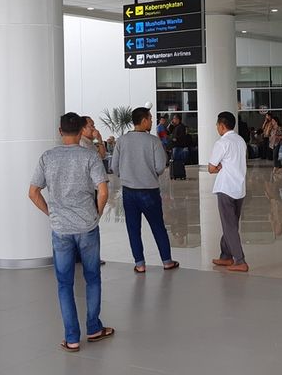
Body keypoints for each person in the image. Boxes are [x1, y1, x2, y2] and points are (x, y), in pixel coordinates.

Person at [28, 112, 113, 352]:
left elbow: (33, 192)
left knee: (65, 284)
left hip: (61, 229)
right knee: (92, 277)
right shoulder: (90, 156)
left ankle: (72, 337)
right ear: (80, 132)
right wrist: (96, 214)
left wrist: (51, 214)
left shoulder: (48, 157)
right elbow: (103, 191)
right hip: (87, 226)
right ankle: (94, 328)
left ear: (60, 131)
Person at [111, 107, 179, 273]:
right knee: (158, 226)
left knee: (133, 228)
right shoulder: (153, 141)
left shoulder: (122, 140)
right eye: (149, 118)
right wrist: (150, 173)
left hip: (129, 192)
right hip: (149, 191)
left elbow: (114, 166)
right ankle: (167, 261)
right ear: (143, 121)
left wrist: (127, 174)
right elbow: (160, 167)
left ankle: (140, 264)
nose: (151, 121)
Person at [208, 111, 249, 273]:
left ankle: (240, 260)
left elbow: (211, 168)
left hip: (225, 188)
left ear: (222, 125)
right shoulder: (240, 141)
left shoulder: (222, 143)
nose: (217, 128)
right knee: (231, 223)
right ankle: (226, 255)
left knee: (229, 225)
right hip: (239, 188)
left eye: (217, 125)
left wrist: (217, 167)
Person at [168, 114, 190, 180]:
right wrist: (171, 124)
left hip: (178, 146)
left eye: (174, 119)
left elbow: (182, 137)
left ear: (178, 119)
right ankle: (176, 174)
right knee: (175, 161)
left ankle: (179, 174)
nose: (173, 120)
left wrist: (175, 139)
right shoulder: (175, 126)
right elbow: (169, 130)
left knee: (178, 161)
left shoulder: (181, 127)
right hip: (175, 146)